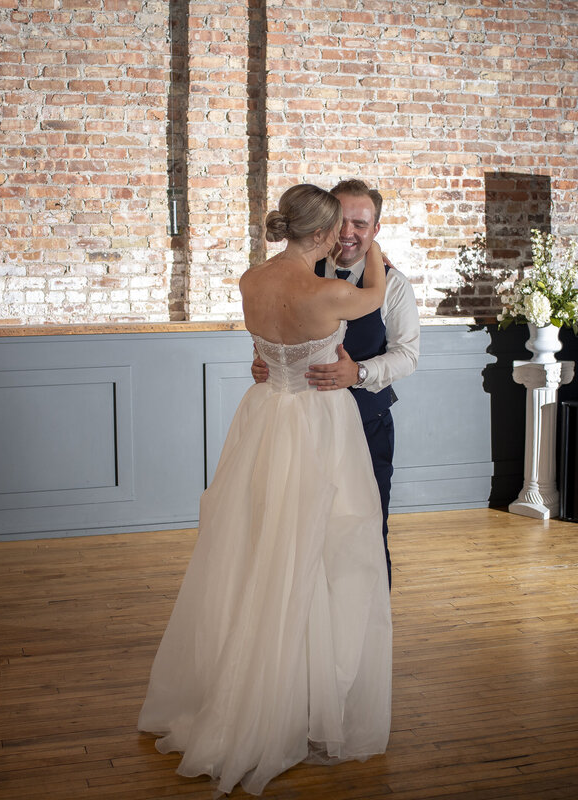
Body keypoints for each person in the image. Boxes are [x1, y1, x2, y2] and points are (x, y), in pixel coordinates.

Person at [138, 184, 393, 796]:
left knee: (260, 550)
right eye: (343, 229)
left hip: (264, 417)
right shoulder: (332, 292)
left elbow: (271, 351)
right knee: (320, 551)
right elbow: (375, 295)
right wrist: (375, 241)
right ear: (328, 233)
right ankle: (295, 697)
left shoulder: (253, 280)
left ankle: (258, 684)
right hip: (314, 424)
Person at [252, 179, 420, 584]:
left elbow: (408, 355)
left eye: (360, 225)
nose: (348, 233)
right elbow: (281, 332)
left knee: (363, 525)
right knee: (301, 528)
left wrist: (358, 373)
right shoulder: (304, 272)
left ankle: (367, 629)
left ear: (375, 229)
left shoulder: (394, 285)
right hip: (303, 429)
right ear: (322, 226)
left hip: (365, 423)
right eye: (341, 221)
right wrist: (264, 363)